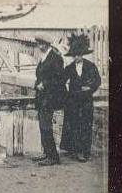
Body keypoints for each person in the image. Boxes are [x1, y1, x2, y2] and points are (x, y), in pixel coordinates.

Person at [60, 34, 101, 162]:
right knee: (74, 125)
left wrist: (90, 88)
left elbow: (97, 81)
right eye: (74, 55)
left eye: (78, 54)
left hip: (86, 102)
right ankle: (76, 151)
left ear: (82, 54)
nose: (76, 57)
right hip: (73, 102)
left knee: (86, 125)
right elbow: (61, 81)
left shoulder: (90, 66)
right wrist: (66, 94)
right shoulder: (70, 68)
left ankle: (85, 152)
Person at [32, 34, 66, 166]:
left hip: (50, 98)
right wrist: (37, 84)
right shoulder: (44, 58)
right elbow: (39, 76)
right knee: (42, 126)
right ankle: (47, 153)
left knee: (46, 126)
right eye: (38, 43)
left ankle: (53, 157)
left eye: (41, 44)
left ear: (47, 44)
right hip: (42, 97)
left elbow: (59, 78)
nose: (39, 46)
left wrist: (44, 84)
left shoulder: (56, 58)